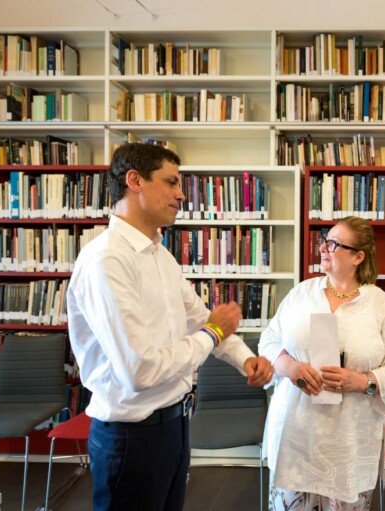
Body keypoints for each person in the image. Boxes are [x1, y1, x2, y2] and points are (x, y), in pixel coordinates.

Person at [67, 142, 273, 511]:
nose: (181, 195)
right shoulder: (106, 261)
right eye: (171, 182)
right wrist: (212, 335)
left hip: (173, 427)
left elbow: (199, 316)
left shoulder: (160, 255)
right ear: (135, 181)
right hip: (132, 437)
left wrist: (245, 359)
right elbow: (139, 370)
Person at [259, 215, 385, 511]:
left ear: (358, 257)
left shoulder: (381, 305)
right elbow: (269, 341)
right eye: (324, 241)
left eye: (334, 244)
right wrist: (289, 367)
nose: (323, 249)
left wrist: (363, 381)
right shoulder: (301, 294)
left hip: (350, 436)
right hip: (296, 430)